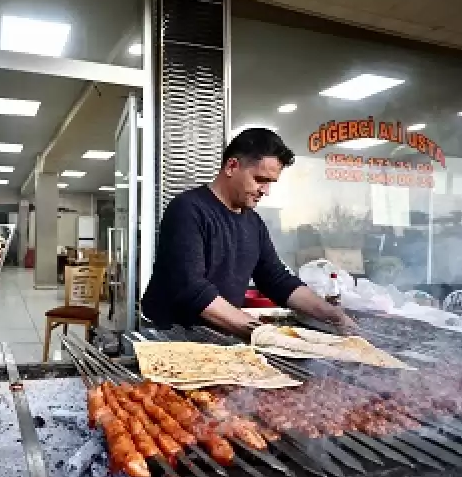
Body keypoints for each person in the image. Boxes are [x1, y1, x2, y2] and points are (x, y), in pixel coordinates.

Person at [142, 128, 357, 336]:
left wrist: (332, 315)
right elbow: (192, 289)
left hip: (219, 336)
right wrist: (263, 332)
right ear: (232, 166)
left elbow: (277, 279)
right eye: (260, 180)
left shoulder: (254, 223)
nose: (266, 191)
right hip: (170, 335)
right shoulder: (187, 209)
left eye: (271, 183)